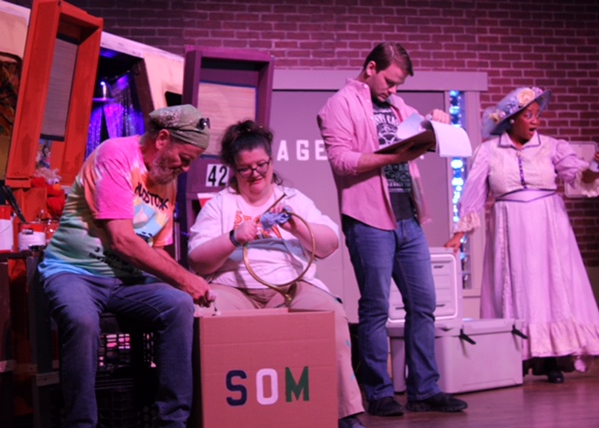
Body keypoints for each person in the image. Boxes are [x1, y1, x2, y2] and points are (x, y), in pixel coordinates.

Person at [316, 42, 468, 416]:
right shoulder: (339, 105)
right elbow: (341, 161)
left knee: (424, 304)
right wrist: (394, 156)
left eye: (399, 84)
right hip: (369, 219)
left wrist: (436, 122)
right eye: (390, 81)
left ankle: (424, 388)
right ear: (370, 68)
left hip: (408, 218)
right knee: (376, 307)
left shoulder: (399, 106)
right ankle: (378, 391)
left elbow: (420, 133)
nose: (394, 90)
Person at [38, 104, 214, 427]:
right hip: (75, 271)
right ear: (163, 138)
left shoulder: (167, 181)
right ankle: (81, 424)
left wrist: (187, 287)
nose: (185, 168)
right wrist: (186, 278)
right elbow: (122, 239)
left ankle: (173, 421)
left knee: (178, 305)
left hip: (126, 281)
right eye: (184, 159)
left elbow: (155, 252)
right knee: (82, 320)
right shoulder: (115, 155)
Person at [188, 120, 365, 428]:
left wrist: (296, 225)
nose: (255, 173)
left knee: (333, 314)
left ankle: (346, 412)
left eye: (262, 165)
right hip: (235, 291)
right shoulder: (220, 205)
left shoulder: (293, 199)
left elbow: (329, 244)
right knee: (202, 314)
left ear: (271, 160)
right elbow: (198, 261)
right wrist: (233, 237)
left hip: (292, 287)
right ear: (233, 168)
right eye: (246, 168)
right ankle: (212, 413)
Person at [444, 86, 599, 383]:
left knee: (551, 289)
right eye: (529, 115)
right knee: (515, 289)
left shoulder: (552, 147)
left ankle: (553, 358)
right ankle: (515, 357)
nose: (536, 121)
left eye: (538, 115)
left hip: (548, 227)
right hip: (509, 228)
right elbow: (474, 195)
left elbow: (580, 178)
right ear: (512, 119)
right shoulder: (489, 151)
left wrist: (595, 165)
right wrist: (458, 237)